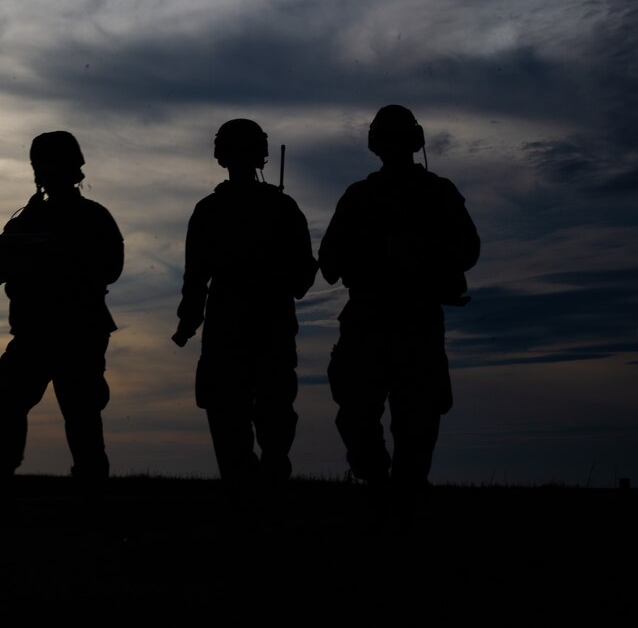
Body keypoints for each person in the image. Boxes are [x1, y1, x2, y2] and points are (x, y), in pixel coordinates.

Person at [319, 105, 479, 511]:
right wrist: (372, 256)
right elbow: (330, 262)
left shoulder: (437, 193)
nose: (392, 148)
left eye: (397, 140)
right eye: (386, 140)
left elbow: (468, 250)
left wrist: (422, 255)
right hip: (369, 321)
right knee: (359, 418)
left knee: (418, 423)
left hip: (414, 320)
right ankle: (379, 486)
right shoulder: (359, 196)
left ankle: (402, 498)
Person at [172, 119, 317, 500]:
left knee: (245, 413)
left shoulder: (211, 210)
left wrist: (189, 320)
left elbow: (195, 279)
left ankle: (252, 488)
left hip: (242, 323)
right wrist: (189, 320)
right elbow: (303, 277)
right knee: (255, 412)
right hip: (258, 323)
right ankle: (259, 487)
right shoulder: (280, 207)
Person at [0, 131, 123, 483]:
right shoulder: (25, 220)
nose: (44, 173)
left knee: (82, 416)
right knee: (11, 404)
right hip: (35, 333)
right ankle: (3, 480)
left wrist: (64, 260)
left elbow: (111, 268)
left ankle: (92, 491)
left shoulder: (93, 218)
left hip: (77, 333)